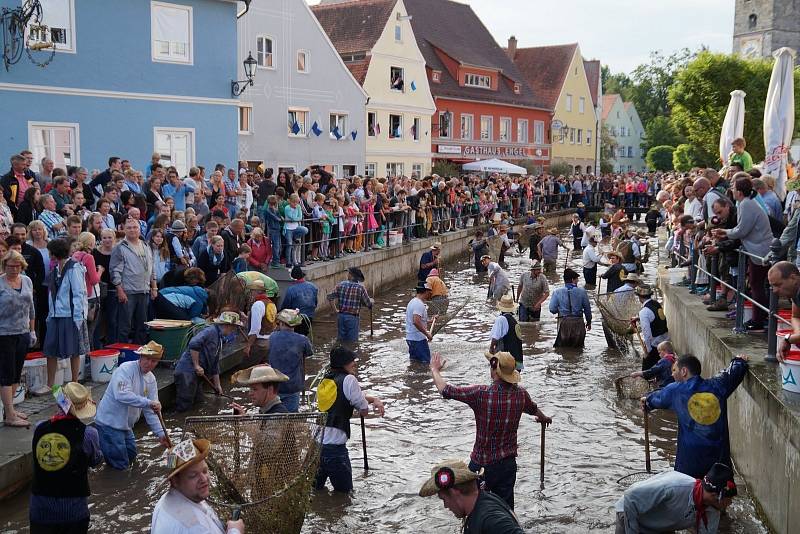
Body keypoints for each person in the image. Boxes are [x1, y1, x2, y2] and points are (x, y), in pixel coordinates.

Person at [429, 351, 551, 509]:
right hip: (507, 466)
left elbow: (445, 390)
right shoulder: (521, 394)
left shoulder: (481, 394)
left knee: (475, 509)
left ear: (494, 370)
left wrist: (434, 370)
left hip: (482, 466)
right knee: (505, 510)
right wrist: (543, 418)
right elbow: (533, 409)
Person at [643, 354, 749, 478]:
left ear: (684, 371)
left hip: (689, 461)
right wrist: (739, 361)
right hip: (718, 459)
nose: (672, 375)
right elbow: (733, 372)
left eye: (674, 370)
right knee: (721, 492)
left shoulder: (675, 390)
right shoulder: (718, 385)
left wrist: (646, 402)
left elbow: (655, 399)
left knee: (689, 492)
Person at [29, 382, 103, 534]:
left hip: (40, 508)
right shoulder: (89, 434)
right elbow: (95, 461)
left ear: (60, 403)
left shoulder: (39, 428)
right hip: (73, 510)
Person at [315, 347, 385, 493]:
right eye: (351, 361)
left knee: (315, 492)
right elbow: (363, 410)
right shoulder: (349, 379)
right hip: (335, 451)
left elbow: (341, 399)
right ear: (343, 364)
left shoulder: (326, 379)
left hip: (316, 447)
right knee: (344, 496)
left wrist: (373, 399)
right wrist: (369, 402)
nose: (354, 363)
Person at [95, 341, 169, 470]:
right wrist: (148, 402)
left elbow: (152, 410)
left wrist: (161, 433)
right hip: (109, 423)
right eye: (147, 359)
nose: (149, 363)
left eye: (154, 361)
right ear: (141, 357)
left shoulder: (151, 379)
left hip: (126, 425)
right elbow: (122, 395)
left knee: (131, 455)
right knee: (120, 464)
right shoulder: (125, 369)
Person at [151, 438, 246, 534]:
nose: (204, 479)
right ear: (175, 481)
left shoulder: (165, 500)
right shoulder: (196, 528)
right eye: (193, 475)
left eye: (205, 471)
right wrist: (235, 531)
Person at [615, 463, 738, 534]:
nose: (731, 503)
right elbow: (630, 497)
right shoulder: (674, 487)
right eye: (730, 499)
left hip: (662, 523)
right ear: (716, 496)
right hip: (631, 514)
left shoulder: (712, 509)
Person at [418, 459, 524, 534]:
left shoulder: (490, 519)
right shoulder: (483, 500)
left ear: (454, 492)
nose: (445, 506)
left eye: (444, 499)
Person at [173, 312, 243, 412]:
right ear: (228, 326)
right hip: (187, 372)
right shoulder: (210, 331)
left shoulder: (219, 338)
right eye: (233, 328)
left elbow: (214, 364)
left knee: (199, 402)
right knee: (185, 405)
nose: (234, 330)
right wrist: (196, 365)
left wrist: (217, 385)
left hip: (197, 375)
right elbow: (193, 343)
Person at [43, 239, 88, 388]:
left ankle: (74, 383)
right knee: (50, 350)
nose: (49, 254)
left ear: (55, 253)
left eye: (50, 251)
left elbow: (79, 293)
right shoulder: (56, 269)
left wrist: (78, 318)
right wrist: (50, 314)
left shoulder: (74, 268)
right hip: (55, 315)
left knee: (74, 350)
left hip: (71, 315)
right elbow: (52, 295)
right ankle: (50, 385)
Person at [0, 250, 36, 427]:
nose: (14, 269)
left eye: (17, 266)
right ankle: (9, 415)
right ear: (4, 266)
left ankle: (10, 409)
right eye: (10, 266)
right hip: (4, 333)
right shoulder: (0, 283)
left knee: (16, 373)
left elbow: (31, 308)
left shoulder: (27, 281)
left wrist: (32, 330)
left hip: (22, 332)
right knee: (6, 374)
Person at [110, 218, 158, 344]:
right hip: (128, 292)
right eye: (129, 227)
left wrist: (154, 287)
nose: (132, 230)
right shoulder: (120, 247)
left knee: (142, 326)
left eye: (135, 227)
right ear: (124, 230)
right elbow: (114, 271)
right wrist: (120, 290)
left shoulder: (146, 245)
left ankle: (139, 355)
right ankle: (122, 355)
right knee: (125, 326)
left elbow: (151, 268)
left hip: (144, 290)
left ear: (140, 229)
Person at [266, 309, 313, 412]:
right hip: (293, 386)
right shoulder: (302, 339)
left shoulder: (272, 337)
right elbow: (309, 352)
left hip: (274, 385)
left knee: (273, 414)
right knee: (291, 418)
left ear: (281, 323)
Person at [327, 267, 373, 344]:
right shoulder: (361, 288)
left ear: (352, 276)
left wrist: (335, 311)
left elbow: (330, 297)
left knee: (340, 340)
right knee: (352, 342)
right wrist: (372, 302)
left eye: (349, 273)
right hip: (353, 317)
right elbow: (368, 304)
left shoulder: (341, 285)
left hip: (341, 316)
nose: (347, 275)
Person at [549, 268, 592, 348]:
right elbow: (587, 309)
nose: (577, 281)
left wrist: (561, 308)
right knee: (578, 350)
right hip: (578, 323)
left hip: (564, 323)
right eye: (577, 279)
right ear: (572, 280)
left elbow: (552, 309)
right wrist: (589, 322)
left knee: (563, 350)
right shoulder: (582, 291)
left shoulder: (557, 292)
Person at [768, 261, 800, 361]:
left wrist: (788, 339)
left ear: (793, 278)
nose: (775, 290)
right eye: (773, 286)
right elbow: (796, 316)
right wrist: (797, 336)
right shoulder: (795, 291)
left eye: (778, 285)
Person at [633, 284, 670, 370]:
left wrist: (648, 351)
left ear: (639, 297)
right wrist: (639, 318)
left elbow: (647, 333)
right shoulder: (656, 304)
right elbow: (655, 317)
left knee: (646, 372)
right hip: (665, 342)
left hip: (655, 346)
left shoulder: (644, 312)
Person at [489, 294, 524, 371]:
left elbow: (495, 337)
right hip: (517, 361)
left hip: (506, 361)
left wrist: (491, 349)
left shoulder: (501, 319)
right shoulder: (514, 321)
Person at [280, 266, 318, 337]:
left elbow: (286, 307)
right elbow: (315, 303)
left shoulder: (291, 290)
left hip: (296, 319)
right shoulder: (313, 287)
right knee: (304, 337)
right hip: (309, 317)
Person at [406, 281, 435, 363]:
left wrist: (430, 321)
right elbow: (416, 321)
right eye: (429, 292)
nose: (430, 294)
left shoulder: (412, 302)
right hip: (418, 340)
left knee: (414, 363)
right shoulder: (419, 304)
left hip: (411, 339)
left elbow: (416, 320)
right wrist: (427, 334)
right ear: (425, 292)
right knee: (426, 363)